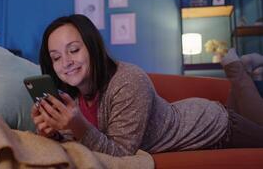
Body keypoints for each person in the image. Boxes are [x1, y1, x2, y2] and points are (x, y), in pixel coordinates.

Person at [31, 14, 263, 157]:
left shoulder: (129, 80)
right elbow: (79, 143)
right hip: (196, 115)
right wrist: (49, 133)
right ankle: (242, 72)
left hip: (213, 125)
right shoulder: (72, 98)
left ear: (93, 47)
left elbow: (121, 154)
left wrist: (78, 126)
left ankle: (238, 68)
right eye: (56, 57)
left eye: (73, 50)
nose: (66, 62)